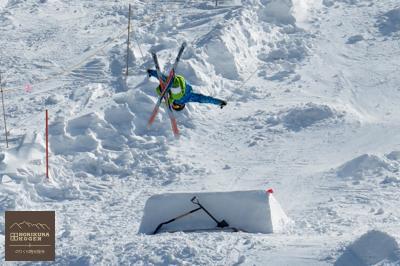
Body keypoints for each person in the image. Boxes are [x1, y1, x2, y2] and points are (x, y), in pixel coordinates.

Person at [147, 69, 227, 111]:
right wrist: (219, 102)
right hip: (179, 83)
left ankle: (166, 87)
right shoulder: (189, 98)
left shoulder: (173, 98)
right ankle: (171, 83)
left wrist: (151, 72)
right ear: (182, 105)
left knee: (161, 90)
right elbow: (204, 99)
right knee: (176, 95)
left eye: (174, 106)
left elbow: (162, 77)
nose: (175, 104)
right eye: (177, 106)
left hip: (177, 81)